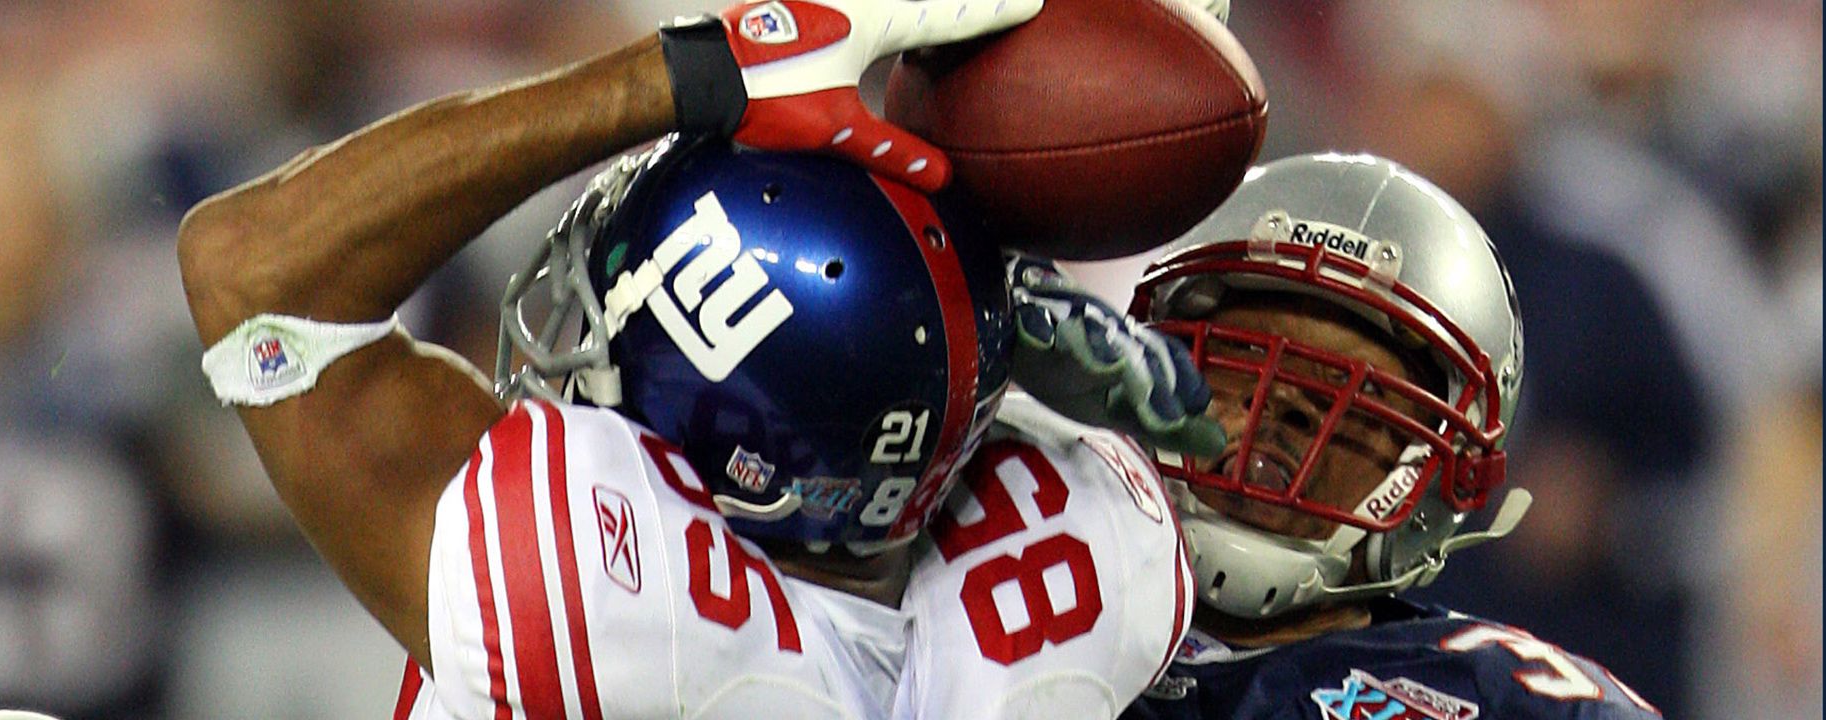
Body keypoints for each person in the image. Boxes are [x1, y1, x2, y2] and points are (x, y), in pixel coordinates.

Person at [176, 0, 1227, 716]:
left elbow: (250, 271)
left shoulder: (614, 599)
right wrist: (977, 306)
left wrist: (699, 68)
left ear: (742, 445)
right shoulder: (1091, 556)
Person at [1116, 152, 1663, 719]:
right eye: (1247, 354)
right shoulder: (1044, 594)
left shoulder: (1499, 698)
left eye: (1359, 393)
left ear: (1444, 465)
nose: (1281, 407)